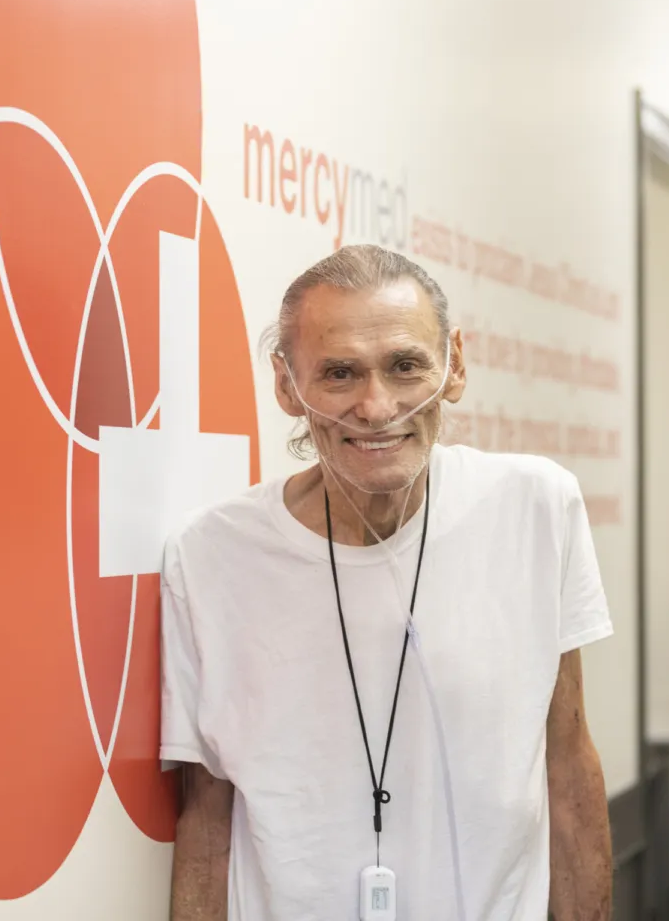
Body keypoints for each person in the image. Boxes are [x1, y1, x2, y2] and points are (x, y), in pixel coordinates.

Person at [160, 244, 614, 920]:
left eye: (405, 366)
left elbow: (568, 761)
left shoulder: (537, 508)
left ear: (454, 364)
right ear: (286, 385)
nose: (375, 407)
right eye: (339, 374)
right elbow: (205, 819)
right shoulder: (211, 557)